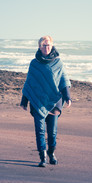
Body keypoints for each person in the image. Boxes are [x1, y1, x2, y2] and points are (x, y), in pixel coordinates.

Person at [20, 35, 72, 167]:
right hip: (38, 101)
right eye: (44, 45)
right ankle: (42, 157)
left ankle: (51, 153)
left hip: (54, 102)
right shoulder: (34, 63)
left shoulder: (58, 62)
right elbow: (29, 83)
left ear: (52, 46)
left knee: (52, 132)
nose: (46, 47)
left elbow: (64, 80)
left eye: (48, 45)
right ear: (39, 47)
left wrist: (67, 97)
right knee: (40, 131)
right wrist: (24, 100)